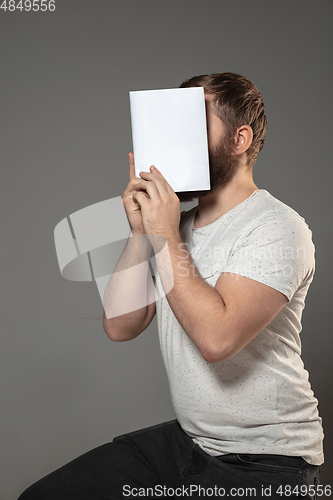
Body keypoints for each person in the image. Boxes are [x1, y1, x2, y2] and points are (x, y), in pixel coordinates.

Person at [18, 73, 324, 499]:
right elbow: (121, 325)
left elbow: (216, 340)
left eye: (193, 124)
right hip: (191, 442)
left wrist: (164, 234)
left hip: (267, 460)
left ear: (239, 140)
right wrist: (142, 231)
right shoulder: (175, 227)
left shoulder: (277, 227)